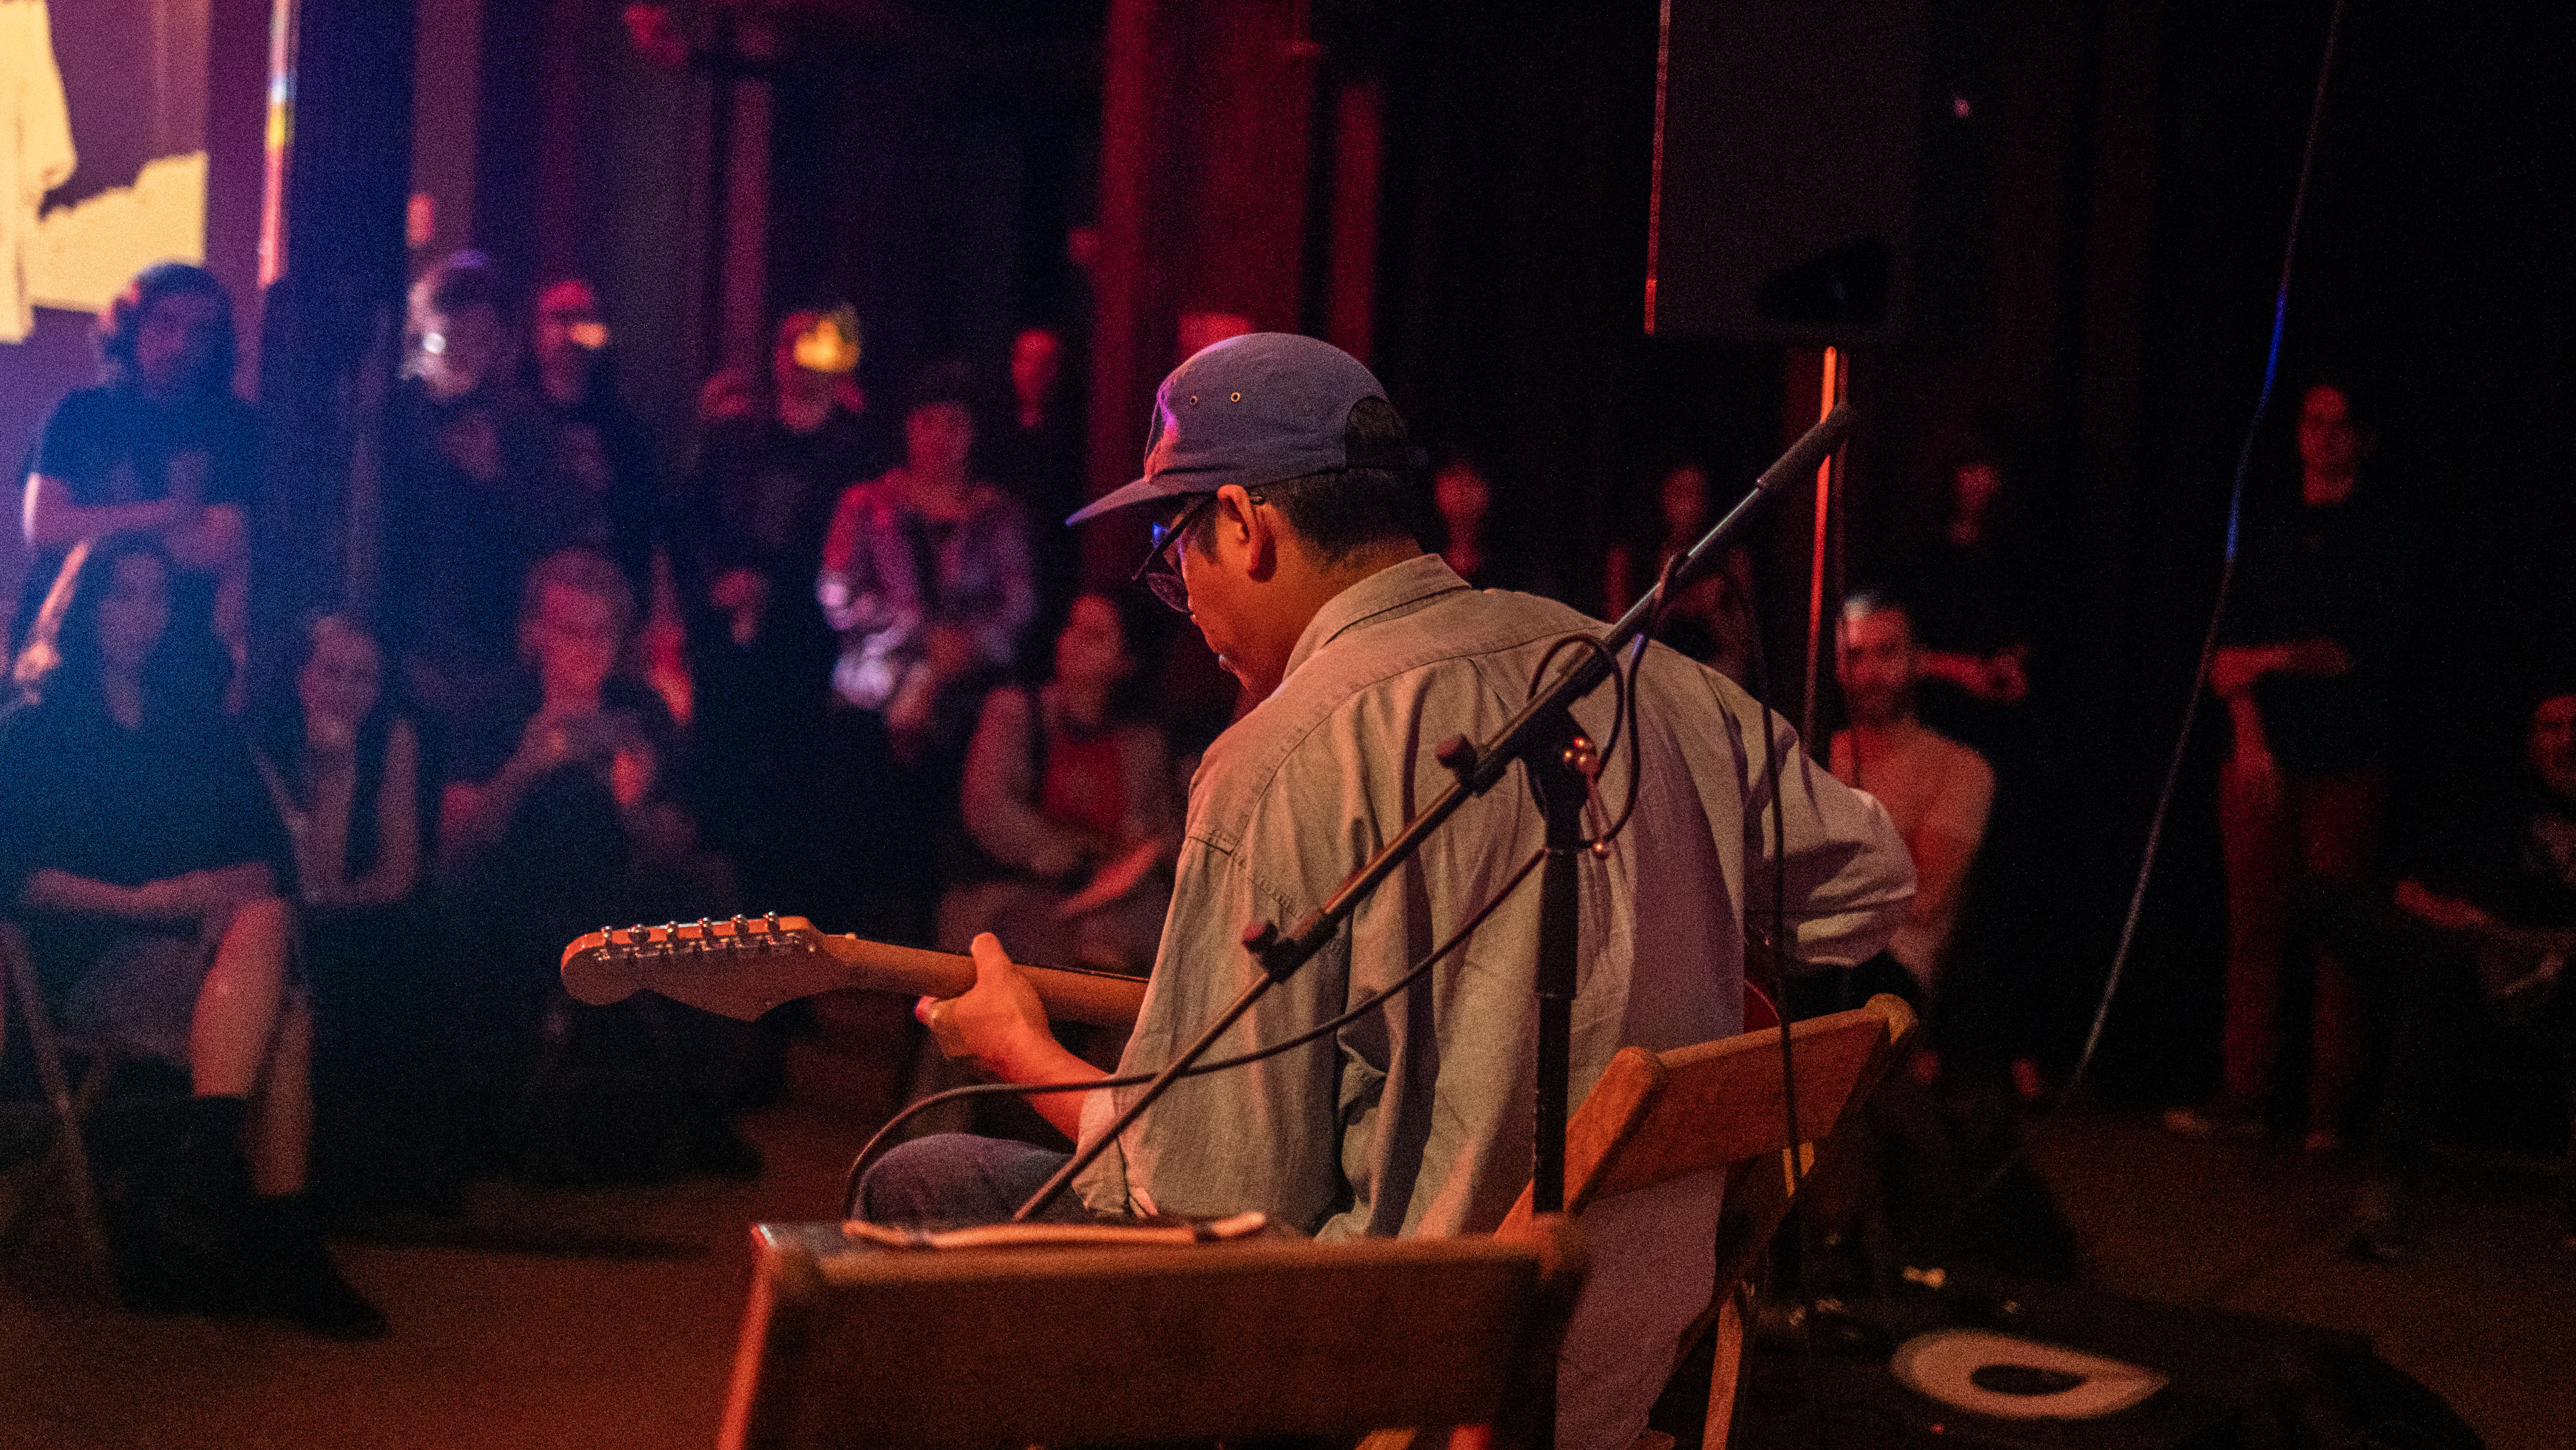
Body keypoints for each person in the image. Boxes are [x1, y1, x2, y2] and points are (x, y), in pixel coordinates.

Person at [861, 334, 1913, 1450]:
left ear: (1248, 527)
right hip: (1617, 1369)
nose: (1186, 603)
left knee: (921, 1182)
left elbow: (1202, 1199)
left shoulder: (1274, 762)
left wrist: (1022, 1048)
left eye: (1177, 558)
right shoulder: (1627, 668)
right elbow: (1865, 887)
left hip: (1393, 1379)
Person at [0, 541, 381, 1335]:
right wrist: (145, 901)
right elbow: (21, 877)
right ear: (85, 607)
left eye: (156, 599)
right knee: (291, 1022)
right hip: (93, 955)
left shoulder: (198, 728)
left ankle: (200, 1175)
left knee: (268, 924)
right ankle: (285, 1243)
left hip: (211, 953)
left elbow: (263, 859)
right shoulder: (35, 729)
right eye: (122, 596)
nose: (141, 616)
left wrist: (212, 893)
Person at [440, 548, 754, 1181]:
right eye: (570, 632)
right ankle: (487, 1118)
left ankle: (700, 1108)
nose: (587, 650)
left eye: (602, 634)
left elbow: (676, 834)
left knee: (713, 892)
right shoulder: (494, 707)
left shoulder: (640, 711)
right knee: (471, 914)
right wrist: (526, 764)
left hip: (620, 884)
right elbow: (457, 844)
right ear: (535, 634)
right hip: (514, 883)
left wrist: (635, 806)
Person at [2175, 379, 2417, 1148]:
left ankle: (2329, 1111)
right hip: (2259, 758)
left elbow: (2347, 653)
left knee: (2335, 935)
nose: (2326, 435)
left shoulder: (2383, 536)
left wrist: (2268, 659)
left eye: (2343, 424)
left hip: (2345, 758)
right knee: (2254, 929)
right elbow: (2222, 660)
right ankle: (2246, 1093)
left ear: (2366, 439)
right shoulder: (2267, 532)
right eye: (2315, 421)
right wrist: (2250, 729)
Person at [2306, 686, 2576, 1259]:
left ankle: (2385, 1196)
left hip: (2549, 971)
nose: (2566, 740)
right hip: (2457, 954)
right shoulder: (2494, 807)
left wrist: (2500, 935)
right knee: (2333, 902)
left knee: (2448, 969)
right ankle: (2387, 1192)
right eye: (2551, 728)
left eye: (2575, 728)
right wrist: (2452, 920)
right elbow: (2408, 881)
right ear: (2532, 743)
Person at [667, 310, 888, 914]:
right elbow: (687, 521)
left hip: (808, 645)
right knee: (723, 785)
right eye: (791, 344)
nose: (800, 359)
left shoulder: (857, 452)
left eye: (815, 347)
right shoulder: (733, 437)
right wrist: (716, 586)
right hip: (727, 644)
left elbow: (859, 551)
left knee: (797, 793)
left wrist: (775, 585)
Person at [814, 362, 1038, 939]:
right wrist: (915, 632)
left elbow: (1021, 602)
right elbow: (837, 592)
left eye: (955, 423)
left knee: (942, 854)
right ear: (910, 429)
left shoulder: (998, 513)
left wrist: (967, 646)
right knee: (860, 842)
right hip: (873, 701)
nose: (941, 436)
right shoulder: (866, 504)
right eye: (928, 422)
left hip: (966, 707)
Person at [250, 613, 450, 1213]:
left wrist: (338, 904)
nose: (347, 690)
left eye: (364, 678)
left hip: (355, 903)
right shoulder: (262, 734)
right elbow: (307, 879)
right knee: (352, 950)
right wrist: (332, 770)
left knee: (408, 934)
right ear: (300, 674)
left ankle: (394, 1157)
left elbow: (397, 869)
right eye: (332, 672)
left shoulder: (393, 734)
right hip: (272, 905)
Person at [19, 263, 253, 705]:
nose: (180, 344)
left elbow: (216, 547)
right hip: (66, 651)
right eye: (165, 323)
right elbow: (44, 531)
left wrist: (90, 529)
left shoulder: (236, 427)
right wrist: (169, 512)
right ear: (130, 326)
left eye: (200, 333)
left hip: (180, 662)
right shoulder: (78, 413)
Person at [937, 591, 1181, 975]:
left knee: (1145, 930)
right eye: (1072, 627)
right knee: (1048, 938)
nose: (1072, 642)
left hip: (1108, 903)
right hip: (1014, 889)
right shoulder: (1014, 712)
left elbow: (1155, 836)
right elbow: (989, 812)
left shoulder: (1142, 744)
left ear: (1127, 662)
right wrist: (1078, 855)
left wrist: (1133, 854)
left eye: (1095, 635)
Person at [381, 251, 571, 734]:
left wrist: (496, 479)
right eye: (454, 332)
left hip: (490, 644)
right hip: (399, 635)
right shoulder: (393, 412)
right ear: (426, 330)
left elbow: (555, 531)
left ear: (502, 341)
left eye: (482, 336)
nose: (466, 349)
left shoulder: (523, 420)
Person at [1826, 593, 1995, 1014]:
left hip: (1893, 976)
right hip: (1815, 960)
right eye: (1855, 655)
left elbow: (1921, 899)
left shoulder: (1960, 766)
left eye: (1887, 653)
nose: (1870, 673)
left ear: (1920, 660)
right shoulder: (1813, 752)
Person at [1603, 459, 1758, 684]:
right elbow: (1615, 643)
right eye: (1681, 494)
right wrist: (1662, 611)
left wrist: (1713, 609)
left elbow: (1744, 656)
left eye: (1698, 494)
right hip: (1649, 670)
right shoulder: (1630, 558)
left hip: (1710, 673)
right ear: (1662, 498)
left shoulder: (1731, 559)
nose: (1691, 505)